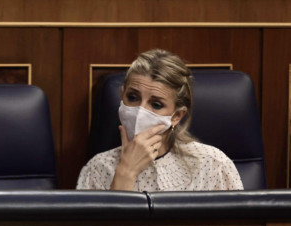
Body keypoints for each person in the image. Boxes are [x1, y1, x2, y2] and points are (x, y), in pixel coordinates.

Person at [76, 49, 243, 191]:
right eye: (132, 97)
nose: (140, 110)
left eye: (156, 104)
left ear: (177, 116)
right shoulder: (97, 169)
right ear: (122, 96)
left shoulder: (213, 164)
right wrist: (125, 173)